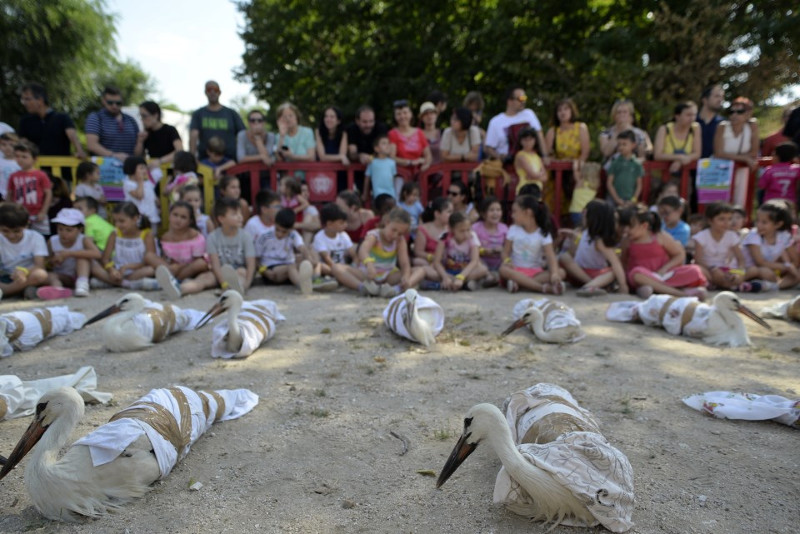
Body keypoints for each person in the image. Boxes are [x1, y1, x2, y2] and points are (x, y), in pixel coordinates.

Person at [330, 207, 425, 297]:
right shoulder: (374, 235)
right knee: (336, 267)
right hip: (368, 274)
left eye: (400, 233)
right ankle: (363, 287)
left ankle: (397, 288)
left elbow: (404, 263)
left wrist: (406, 276)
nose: (395, 235)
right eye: (393, 230)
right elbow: (362, 250)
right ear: (387, 223)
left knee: (420, 270)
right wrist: (369, 264)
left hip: (388, 276)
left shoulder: (400, 240)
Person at [620, 205, 707, 299]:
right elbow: (624, 262)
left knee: (695, 270)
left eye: (630, 226)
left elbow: (679, 254)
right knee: (636, 273)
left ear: (644, 225)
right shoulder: (627, 241)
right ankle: (680, 293)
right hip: (642, 277)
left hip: (664, 275)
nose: (626, 230)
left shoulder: (660, 236)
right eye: (624, 226)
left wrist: (664, 269)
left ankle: (657, 289)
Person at [559, 200, 627, 296]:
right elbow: (575, 254)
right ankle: (590, 285)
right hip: (579, 274)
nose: (583, 213)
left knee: (612, 272)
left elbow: (615, 262)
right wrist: (573, 239)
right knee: (564, 257)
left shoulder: (600, 241)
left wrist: (623, 285)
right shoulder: (584, 233)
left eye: (586, 211)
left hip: (597, 274)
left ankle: (589, 286)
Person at [499, 194, 565, 294]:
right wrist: (507, 261)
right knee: (503, 270)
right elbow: (505, 252)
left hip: (536, 273)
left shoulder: (543, 233)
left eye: (515, 211)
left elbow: (551, 256)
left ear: (527, 212)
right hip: (516, 271)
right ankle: (542, 288)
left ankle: (521, 285)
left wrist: (554, 274)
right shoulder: (513, 229)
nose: (512, 215)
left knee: (561, 272)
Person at [152, 201, 216, 299]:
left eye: (183, 217)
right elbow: (165, 258)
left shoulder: (195, 236)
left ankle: (175, 282)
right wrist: (172, 266)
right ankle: (170, 281)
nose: (178, 220)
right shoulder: (164, 238)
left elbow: (199, 261)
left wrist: (180, 267)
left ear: (190, 221)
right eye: (175, 215)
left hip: (190, 270)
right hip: (172, 269)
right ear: (169, 216)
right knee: (150, 257)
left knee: (200, 263)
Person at [90, 202, 159, 290]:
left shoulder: (146, 235)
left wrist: (127, 267)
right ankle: (127, 284)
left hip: (137, 271)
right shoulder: (114, 234)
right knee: (93, 265)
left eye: (122, 221)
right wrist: (111, 270)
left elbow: (149, 261)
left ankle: (111, 283)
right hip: (117, 270)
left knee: (150, 270)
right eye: (115, 221)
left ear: (135, 219)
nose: (117, 225)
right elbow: (105, 258)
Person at [739, 199, 798, 291]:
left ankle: (772, 286)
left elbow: (795, 260)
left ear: (778, 224)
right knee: (766, 273)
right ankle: (749, 284)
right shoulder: (753, 235)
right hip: (749, 269)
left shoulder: (784, 236)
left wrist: (790, 268)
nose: (759, 225)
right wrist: (786, 267)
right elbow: (760, 262)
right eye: (757, 221)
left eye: (764, 222)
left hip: (772, 269)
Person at [41, 208, 100, 299]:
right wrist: (52, 261)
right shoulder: (52, 241)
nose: (64, 233)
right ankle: (58, 289)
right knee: (51, 275)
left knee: (82, 258)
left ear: (80, 229)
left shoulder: (83, 239)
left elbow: (97, 254)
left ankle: (82, 285)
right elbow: (46, 260)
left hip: (79, 274)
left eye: (69, 230)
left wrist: (69, 254)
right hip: (63, 276)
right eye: (60, 229)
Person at [254, 207, 313, 295]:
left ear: (291, 229)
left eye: (284, 232)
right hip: (271, 270)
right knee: (291, 267)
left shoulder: (293, 235)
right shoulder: (264, 236)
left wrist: (309, 259)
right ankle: (303, 286)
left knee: (308, 257)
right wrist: (264, 272)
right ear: (274, 223)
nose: (280, 234)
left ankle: (313, 279)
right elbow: (255, 260)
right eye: (277, 230)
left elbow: (302, 248)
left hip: (288, 269)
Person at [713, 96, 759, 208]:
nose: (734, 115)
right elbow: (718, 153)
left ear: (748, 113)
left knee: (739, 205)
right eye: (731, 111)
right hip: (720, 170)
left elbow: (754, 152)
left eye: (740, 112)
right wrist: (744, 158)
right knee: (719, 206)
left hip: (742, 170)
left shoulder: (752, 126)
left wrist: (740, 158)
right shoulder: (722, 126)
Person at [18, 82, 85, 158]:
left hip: (62, 167)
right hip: (36, 168)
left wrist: (79, 151)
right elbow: (22, 143)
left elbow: (72, 135)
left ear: (40, 100)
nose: (24, 103)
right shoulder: (25, 121)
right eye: (23, 100)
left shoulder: (62, 117)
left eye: (27, 99)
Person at [206, 197, 256, 295]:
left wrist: (247, 284)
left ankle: (238, 289)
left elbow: (251, 263)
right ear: (221, 219)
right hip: (222, 273)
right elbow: (215, 264)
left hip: (241, 271)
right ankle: (181, 288)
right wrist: (223, 283)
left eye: (240, 213)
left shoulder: (246, 236)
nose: (240, 217)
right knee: (207, 277)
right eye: (234, 214)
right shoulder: (213, 237)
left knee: (241, 272)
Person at [690, 202, 745, 291]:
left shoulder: (732, 236)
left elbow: (740, 259)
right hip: (708, 270)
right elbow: (698, 260)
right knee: (696, 270)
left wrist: (739, 272)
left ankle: (721, 284)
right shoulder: (701, 236)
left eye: (729, 219)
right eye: (721, 219)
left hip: (726, 270)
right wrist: (712, 269)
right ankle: (729, 285)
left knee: (747, 272)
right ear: (710, 221)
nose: (726, 223)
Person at [429, 211, 489, 291]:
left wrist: (461, 277)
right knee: (427, 269)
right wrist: (445, 277)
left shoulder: (472, 236)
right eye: (462, 231)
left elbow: (474, 260)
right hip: (448, 271)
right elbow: (437, 261)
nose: (466, 234)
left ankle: (448, 284)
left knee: (483, 269)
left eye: (468, 230)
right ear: (451, 229)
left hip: (466, 271)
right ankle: (462, 284)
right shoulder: (445, 236)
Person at [485, 86, 546, 163]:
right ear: (509, 101)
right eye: (520, 98)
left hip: (530, 164)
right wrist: (500, 157)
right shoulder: (495, 122)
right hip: (507, 167)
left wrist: (545, 155)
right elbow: (489, 148)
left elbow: (539, 135)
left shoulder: (529, 114)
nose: (523, 101)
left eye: (524, 98)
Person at [0, 202, 48, 300]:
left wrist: (23, 271)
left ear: (26, 226)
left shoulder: (35, 237)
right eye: (5, 231)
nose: (11, 235)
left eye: (16, 231)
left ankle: (6, 291)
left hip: (27, 275)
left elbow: (40, 265)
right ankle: (20, 290)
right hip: (6, 276)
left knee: (41, 274)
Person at [189, 81, 245, 161]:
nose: (212, 92)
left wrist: (242, 155)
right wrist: (192, 157)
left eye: (215, 89)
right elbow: (193, 135)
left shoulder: (231, 113)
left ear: (219, 92)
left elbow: (242, 134)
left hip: (229, 161)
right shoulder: (198, 114)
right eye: (209, 90)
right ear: (205, 92)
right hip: (205, 161)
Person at [7, 141, 52, 235]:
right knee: (20, 235)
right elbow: (10, 194)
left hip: (38, 214)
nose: (20, 159)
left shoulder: (41, 175)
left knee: (42, 236)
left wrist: (43, 211)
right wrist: (10, 210)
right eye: (17, 156)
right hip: (19, 214)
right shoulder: (13, 176)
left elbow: (48, 193)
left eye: (24, 157)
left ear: (35, 159)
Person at [85, 86, 139, 160]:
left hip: (129, 167)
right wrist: (113, 155)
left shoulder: (131, 120)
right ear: (103, 101)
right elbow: (91, 145)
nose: (114, 106)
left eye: (118, 103)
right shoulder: (96, 117)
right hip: (105, 167)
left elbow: (138, 145)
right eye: (110, 103)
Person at [311, 202, 355, 286]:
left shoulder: (343, 235)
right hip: (329, 267)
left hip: (342, 267)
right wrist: (337, 270)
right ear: (329, 224)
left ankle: (338, 278)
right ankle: (316, 280)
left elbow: (353, 253)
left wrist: (353, 265)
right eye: (341, 223)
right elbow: (327, 258)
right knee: (320, 265)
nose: (345, 225)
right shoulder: (319, 237)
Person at [653, 101, 702, 176]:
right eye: (688, 115)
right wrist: (680, 157)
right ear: (677, 116)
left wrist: (679, 161)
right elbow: (657, 155)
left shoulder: (695, 128)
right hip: (660, 175)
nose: (692, 118)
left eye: (694, 115)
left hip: (682, 176)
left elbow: (697, 153)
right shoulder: (665, 129)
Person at [598, 99, 652, 164]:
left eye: (625, 112)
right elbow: (606, 152)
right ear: (614, 115)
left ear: (630, 115)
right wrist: (618, 132)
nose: (622, 115)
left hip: (633, 167)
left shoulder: (640, 133)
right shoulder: (605, 134)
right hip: (612, 168)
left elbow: (643, 156)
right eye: (619, 112)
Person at [544, 98, 590, 173]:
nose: (563, 112)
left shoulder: (581, 127)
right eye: (559, 110)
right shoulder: (552, 131)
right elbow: (546, 153)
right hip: (557, 169)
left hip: (578, 167)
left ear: (572, 111)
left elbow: (585, 153)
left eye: (566, 109)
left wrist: (577, 165)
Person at [389, 100, 432, 174]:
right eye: (398, 114)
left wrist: (426, 164)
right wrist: (410, 162)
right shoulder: (392, 134)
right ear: (395, 117)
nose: (402, 116)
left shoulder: (419, 132)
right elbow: (392, 157)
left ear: (410, 114)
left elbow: (428, 155)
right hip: (400, 173)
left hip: (420, 173)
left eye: (405, 113)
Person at [137, 101, 183, 167]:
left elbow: (179, 150)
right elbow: (138, 156)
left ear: (155, 115)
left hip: (170, 169)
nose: (142, 119)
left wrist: (160, 161)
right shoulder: (146, 133)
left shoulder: (170, 130)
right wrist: (140, 142)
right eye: (140, 116)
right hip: (154, 171)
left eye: (144, 116)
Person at [414, 196, 453, 274]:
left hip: (449, 262)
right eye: (449, 212)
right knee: (418, 262)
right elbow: (418, 251)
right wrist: (432, 257)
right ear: (437, 214)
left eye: (452, 211)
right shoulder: (424, 229)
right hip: (430, 262)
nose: (452, 215)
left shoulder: (453, 228)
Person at [606, 130, 644, 208]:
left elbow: (639, 185)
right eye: (619, 144)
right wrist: (617, 199)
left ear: (633, 145)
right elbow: (609, 183)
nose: (621, 147)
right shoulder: (615, 162)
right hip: (614, 198)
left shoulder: (636, 164)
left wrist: (634, 199)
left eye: (624, 144)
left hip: (630, 199)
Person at [472, 196, 508, 274]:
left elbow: (508, 249)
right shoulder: (476, 228)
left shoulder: (504, 228)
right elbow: (470, 248)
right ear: (483, 214)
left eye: (498, 210)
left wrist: (502, 250)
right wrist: (485, 251)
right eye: (491, 210)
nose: (495, 213)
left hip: (499, 264)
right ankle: (488, 277)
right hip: (480, 264)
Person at [122, 156, 160, 226]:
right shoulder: (128, 184)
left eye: (145, 168)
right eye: (141, 168)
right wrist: (140, 181)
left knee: (152, 234)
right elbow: (139, 196)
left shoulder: (146, 182)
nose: (145, 170)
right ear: (131, 169)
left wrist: (157, 201)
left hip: (151, 215)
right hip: (138, 217)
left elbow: (151, 194)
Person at [364, 135, 397, 202]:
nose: (387, 145)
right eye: (384, 143)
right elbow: (367, 177)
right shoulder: (372, 162)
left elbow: (394, 178)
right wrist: (365, 193)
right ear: (376, 148)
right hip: (377, 192)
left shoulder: (392, 162)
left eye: (388, 143)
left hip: (391, 192)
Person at [514, 127, 546, 195]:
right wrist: (540, 174)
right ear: (520, 141)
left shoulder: (537, 156)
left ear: (535, 140)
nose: (528, 142)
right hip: (524, 190)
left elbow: (545, 177)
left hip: (537, 190)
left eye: (530, 139)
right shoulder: (520, 156)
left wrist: (534, 177)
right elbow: (533, 174)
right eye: (525, 140)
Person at [568, 162, 601, 228]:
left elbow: (575, 172)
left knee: (578, 228)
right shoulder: (595, 185)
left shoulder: (580, 182)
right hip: (587, 212)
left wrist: (576, 165)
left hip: (576, 210)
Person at [697, 84, 725, 159]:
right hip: (689, 168)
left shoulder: (724, 123)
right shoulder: (691, 121)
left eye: (722, 97)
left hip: (714, 168)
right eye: (716, 96)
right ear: (704, 100)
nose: (720, 100)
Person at [0, 132, 21, 199]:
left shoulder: (21, 162)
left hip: (17, 196)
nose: (7, 148)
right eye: (4, 144)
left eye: (11, 145)